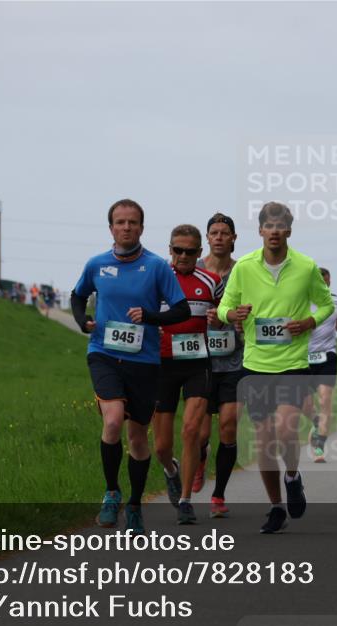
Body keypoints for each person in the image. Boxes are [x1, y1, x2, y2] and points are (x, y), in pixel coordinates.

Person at [70, 199, 190, 535]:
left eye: (132, 222)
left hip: (145, 361)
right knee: (111, 421)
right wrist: (83, 321)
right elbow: (77, 296)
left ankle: (135, 503)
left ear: (141, 228)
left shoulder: (155, 267)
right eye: (120, 222)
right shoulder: (97, 264)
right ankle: (112, 493)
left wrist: (151, 317)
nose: (126, 227)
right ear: (111, 228)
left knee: (138, 439)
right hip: (104, 353)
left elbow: (181, 311)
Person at [217, 202, 334, 534]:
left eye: (280, 226)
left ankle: (293, 476)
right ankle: (275, 506)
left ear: (289, 231)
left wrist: (310, 321)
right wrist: (231, 315)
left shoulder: (306, 266)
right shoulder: (244, 268)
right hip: (255, 365)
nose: (274, 231)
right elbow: (226, 305)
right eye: (268, 226)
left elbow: (325, 304)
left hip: (293, 363)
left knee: (285, 429)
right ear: (260, 231)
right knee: (265, 441)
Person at [151, 225, 222, 525]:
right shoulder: (155, 279)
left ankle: (185, 501)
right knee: (161, 447)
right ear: (169, 249)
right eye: (177, 250)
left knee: (191, 431)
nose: (182, 256)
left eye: (190, 251)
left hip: (197, 362)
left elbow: (222, 319)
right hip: (163, 365)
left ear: (199, 253)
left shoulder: (212, 281)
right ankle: (171, 470)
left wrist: (218, 318)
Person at [198, 213, 242, 519]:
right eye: (214, 232)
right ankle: (199, 460)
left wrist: (236, 320)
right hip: (199, 360)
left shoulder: (244, 272)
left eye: (224, 233)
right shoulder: (194, 268)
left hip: (234, 360)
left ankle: (219, 494)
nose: (219, 237)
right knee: (200, 433)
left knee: (228, 426)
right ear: (207, 238)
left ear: (233, 238)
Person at [301, 267, 337, 463]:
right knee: (305, 405)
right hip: (302, 357)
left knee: (325, 401)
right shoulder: (300, 300)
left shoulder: (336, 300)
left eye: (326, 282)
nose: (323, 285)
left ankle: (318, 447)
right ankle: (315, 421)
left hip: (327, 356)